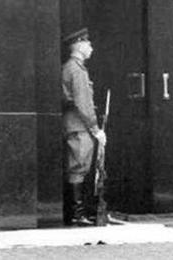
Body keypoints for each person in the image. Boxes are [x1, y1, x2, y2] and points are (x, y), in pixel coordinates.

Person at [62, 28, 106, 226]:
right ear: (79, 45)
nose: (91, 48)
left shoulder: (74, 68)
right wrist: (96, 129)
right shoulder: (76, 70)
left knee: (80, 167)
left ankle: (79, 212)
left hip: (77, 125)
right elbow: (83, 103)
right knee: (79, 168)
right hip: (79, 126)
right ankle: (76, 214)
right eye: (88, 44)